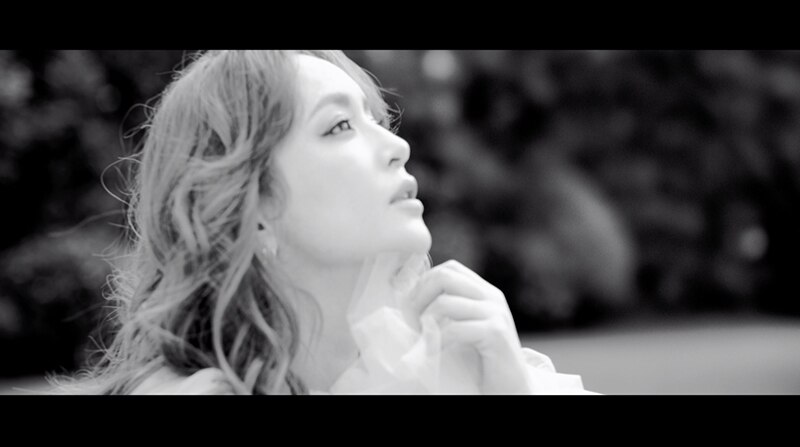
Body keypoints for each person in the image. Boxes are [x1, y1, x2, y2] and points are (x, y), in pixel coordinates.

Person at [52, 50, 594, 395]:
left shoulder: (475, 360)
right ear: (253, 209)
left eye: (378, 121)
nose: (399, 147)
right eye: (339, 126)